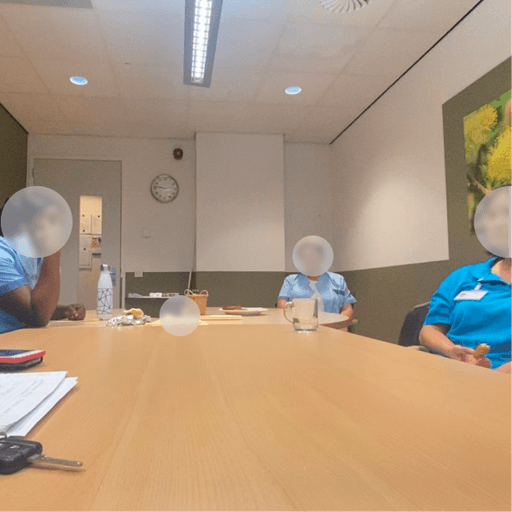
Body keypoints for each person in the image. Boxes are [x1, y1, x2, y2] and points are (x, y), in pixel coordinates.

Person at [0, 197, 85, 334]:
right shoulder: (2, 254)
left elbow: (31, 305)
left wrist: (64, 311)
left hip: (21, 339)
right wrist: (53, 250)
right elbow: (36, 317)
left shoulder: (34, 256)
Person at [419, 255, 512, 373]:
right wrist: (451, 350)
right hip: (449, 366)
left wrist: (495, 376)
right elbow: (430, 330)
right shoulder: (464, 275)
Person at [277, 240, 356, 323]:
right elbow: (282, 304)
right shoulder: (290, 280)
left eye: (313, 256)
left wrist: (341, 323)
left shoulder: (338, 279)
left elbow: (347, 308)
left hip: (331, 326)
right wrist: (293, 321)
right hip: (299, 326)